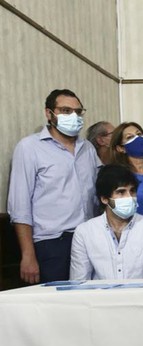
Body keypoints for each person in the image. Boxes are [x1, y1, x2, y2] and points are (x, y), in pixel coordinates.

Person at [8, 89, 101, 284]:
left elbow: (99, 194)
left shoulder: (88, 149)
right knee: (57, 304)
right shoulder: (29, 148)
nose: (73, 116)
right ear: (49, 113)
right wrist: (28, 255)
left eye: (78, 111)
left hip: (89, 239)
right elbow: (20, 206)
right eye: (66, 110)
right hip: (52, 243)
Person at [70, 165, 143, 280]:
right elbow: (79, 282)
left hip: (142, 297)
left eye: (132, 191)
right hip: (100, 297)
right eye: (121, 192)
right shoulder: (84, 232)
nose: (129, 197)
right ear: (104, 199)